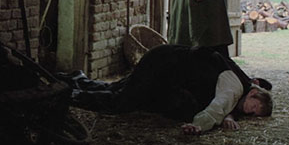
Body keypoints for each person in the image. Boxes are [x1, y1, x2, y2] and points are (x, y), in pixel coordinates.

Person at [61, 44, 273, 134]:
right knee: (121, 102)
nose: (250, 113)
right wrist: (199, 125)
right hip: (162, 65)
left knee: (118, 88)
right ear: (254, 92)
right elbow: (218, 107)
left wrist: (232, 114)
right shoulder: (236, 86)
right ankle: (68, 95)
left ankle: (74, 79)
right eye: (254, 108)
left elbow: (228, 105)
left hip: (164, 60)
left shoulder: (239, 83)